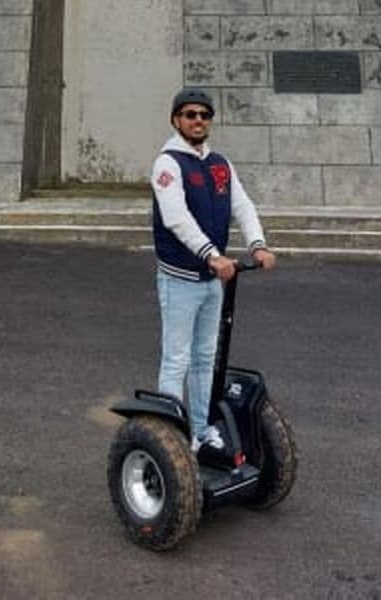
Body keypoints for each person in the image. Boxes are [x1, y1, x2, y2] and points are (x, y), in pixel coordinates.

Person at [151, 87, 276, 452]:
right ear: (176, 120)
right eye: (190, 114)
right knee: (176, 359)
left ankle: (202, 430)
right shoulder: (168, 163)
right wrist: (211, 254)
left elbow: (242, 205)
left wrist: (257, 243)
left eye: (204, 115)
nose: (198, 121)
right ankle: (172, 439)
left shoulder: (220, 163)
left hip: (211, 281)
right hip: (180, 278)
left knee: (206, 358)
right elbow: (176, 218)